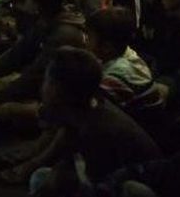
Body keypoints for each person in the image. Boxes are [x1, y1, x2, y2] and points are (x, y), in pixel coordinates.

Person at [28, 47, 162, 197]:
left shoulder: (97, 133)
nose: (43, 86)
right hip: (106, 179)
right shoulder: (87, 107)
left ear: (55, 90)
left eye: (47, 80)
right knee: (42, 177)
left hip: (123, 187)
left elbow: (102, 186)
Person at [86, 7, 158, 111]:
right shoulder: (128, 53)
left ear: (106, 47)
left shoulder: (115, 78)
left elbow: (92, 109)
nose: (85, 41)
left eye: (89, 38)